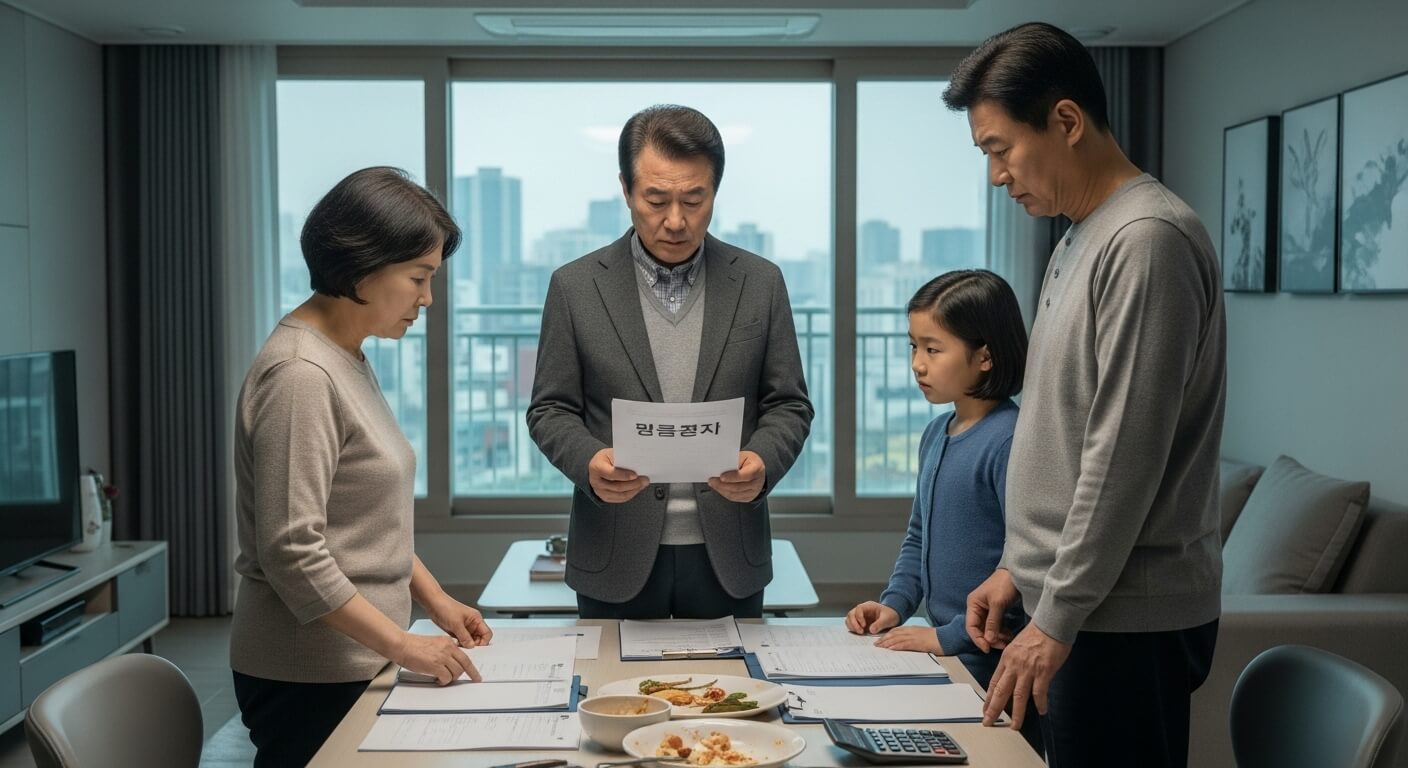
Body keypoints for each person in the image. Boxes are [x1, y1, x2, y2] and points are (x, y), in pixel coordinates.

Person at [950, 23, 1227, 768]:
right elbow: (1067, 429)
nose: (996, 175)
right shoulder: (1080, 235)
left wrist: (1059, 610)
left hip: (1120, 620)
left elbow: (1122, 454)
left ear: (1066, 121)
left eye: (999, 149)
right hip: (1079, 603)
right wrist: (1021, 567)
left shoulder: (1146, 240)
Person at [230, 166, 494, 767]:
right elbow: (293, 551)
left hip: (354, 657)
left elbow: (364, 522)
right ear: (363, 266)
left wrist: (434, 603)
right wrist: (406, 646)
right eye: (419, 278)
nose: (427, 299)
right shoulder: (300, 374)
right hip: (309, 676)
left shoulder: (344, 354)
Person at [526, 105, 814, 620]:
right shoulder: (574, 287)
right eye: (656, 200)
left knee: (731, 698)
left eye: (694, 200)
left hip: (729, 550)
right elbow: (550, 410)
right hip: (613, 549)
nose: (676, 221)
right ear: (626, 189)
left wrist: (763, 462)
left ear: (715, 193)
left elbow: (789, 404)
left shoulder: (760, 282)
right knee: (610, 696)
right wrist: (589, 462)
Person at [845, 270, 1039, 751]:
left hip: (991, 670)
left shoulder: (1012, 440)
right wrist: (894, 604)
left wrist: (943, 638)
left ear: (985, 356)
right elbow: (919, 537)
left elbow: (1023, 573)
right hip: (947, 655)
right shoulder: (936, 433)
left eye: (933, 349)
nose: (917, 364)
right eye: (913, 347)